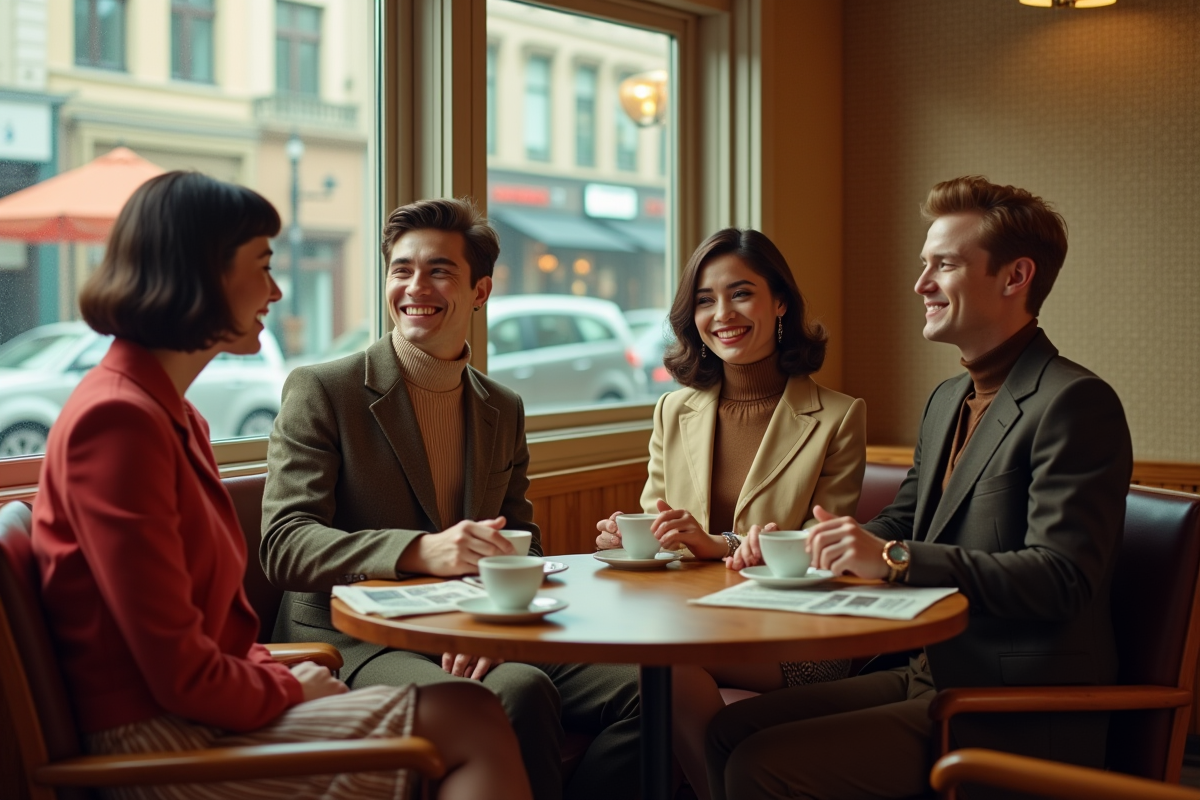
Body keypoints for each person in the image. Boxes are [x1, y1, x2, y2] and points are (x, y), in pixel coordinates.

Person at [30, 172, 531, 800]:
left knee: (478, 713)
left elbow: (207, 640)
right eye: (262, 265)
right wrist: (291, 685)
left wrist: (280, 678)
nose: (275, 290)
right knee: (474, 719)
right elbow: (176, 670)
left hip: (212, 709)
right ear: (204, 272)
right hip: (164, 746)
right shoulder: (119, 421)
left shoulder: (170, 413)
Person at [706, 176, 1133, 800]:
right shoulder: (947, 399)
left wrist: (892, 561)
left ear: (1015, 277)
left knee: (759, 764)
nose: (921, 284)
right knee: (725, 730)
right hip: (930, 672)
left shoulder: (1075, 403)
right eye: (923, 264)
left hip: (1017, 702)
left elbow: (1060, 579)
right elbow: (901, 524)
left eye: (945, 265)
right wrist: (800, 547)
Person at [261, 197, 641, 800]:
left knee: (653, 689)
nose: (416, 286)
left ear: (480, 291)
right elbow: (285, 546)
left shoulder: (502, 407)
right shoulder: (324, 390)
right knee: (519, 689)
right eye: (402, 269)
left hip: (479, 627)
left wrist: (496, 626)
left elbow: (522, 544)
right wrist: (421, 550)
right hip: (359, 639)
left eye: (439, 270)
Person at [593, 228, 866, 800]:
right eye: (704, 300)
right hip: (688, 624)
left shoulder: (838, 417)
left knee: (660, 671)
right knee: (651, 680)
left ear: (780, 302)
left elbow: (825, 554)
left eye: (741, 294)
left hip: (798, 633)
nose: (723, 314)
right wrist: (637, 536)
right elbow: (661, 528)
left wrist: (721, 544)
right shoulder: (673, 409)